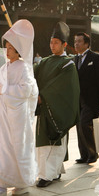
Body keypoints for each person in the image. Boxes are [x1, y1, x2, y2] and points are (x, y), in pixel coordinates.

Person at [0, 20, 38, 196]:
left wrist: (3, 90)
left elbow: (26, 90)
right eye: (6, 47)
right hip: (2, 114)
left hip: (15, 116)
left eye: (11, 47)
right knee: (2, 145)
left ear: (18, 51)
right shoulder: (4, 67)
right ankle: (8, 182)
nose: (8, 50)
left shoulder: (24, 67)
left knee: (13, 147)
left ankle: (9, 183)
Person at [34, 22, 80, 187]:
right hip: (43, 107)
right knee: (43, 144)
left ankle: (47, 175)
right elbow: (32, 78)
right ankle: (54, 171)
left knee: (54, 143)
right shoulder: (43, 62)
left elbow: (63, 86)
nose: (52, 46)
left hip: (56, 107)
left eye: (56, 43)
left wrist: (44, 96)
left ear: (64, 44)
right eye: (51, 42)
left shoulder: (68, 63)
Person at [74, 32, 99, 164]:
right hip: (78, 99)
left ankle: (93, 153)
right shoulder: (75, 59)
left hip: (92, 99)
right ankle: (83, 155)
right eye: (75, 41)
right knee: (79, 126)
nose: (76, 44)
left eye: (79, 41)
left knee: (84, 124)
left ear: (86, 44)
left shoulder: (96, 57)